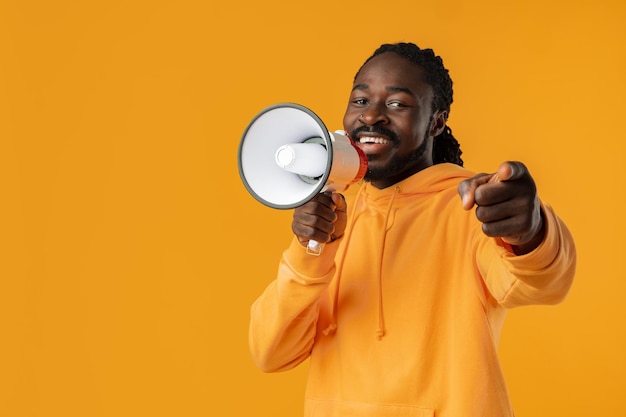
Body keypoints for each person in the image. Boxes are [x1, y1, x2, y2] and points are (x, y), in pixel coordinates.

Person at [248, 42, 576, 417]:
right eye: (360, 101)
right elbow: (270, 352)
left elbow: (542, 284)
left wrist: (531, 231)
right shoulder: (337, 223)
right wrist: (311, 253)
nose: (371, 116)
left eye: (396, 104)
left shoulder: (474, 206)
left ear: (436, 120)